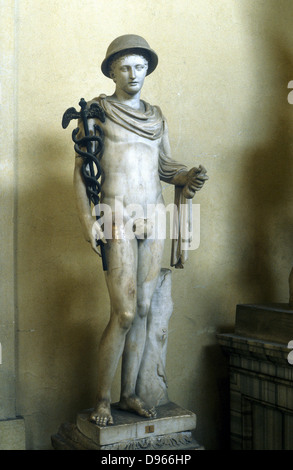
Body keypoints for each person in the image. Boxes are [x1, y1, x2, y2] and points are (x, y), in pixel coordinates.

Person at [73, 35, 208, 426]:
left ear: (148, 69)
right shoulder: (98, 112)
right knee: (126, 311)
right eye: (125, 67)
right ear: (112, 71)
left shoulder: (157, 115)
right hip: (115, 217)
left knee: (146, 309)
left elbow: (165, 167)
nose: (134, 75)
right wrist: (87, 220)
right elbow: (82, 173)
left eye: (140, 67)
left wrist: (188, 174)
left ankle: (128, 393)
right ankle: (101, 398)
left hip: (154, 216)